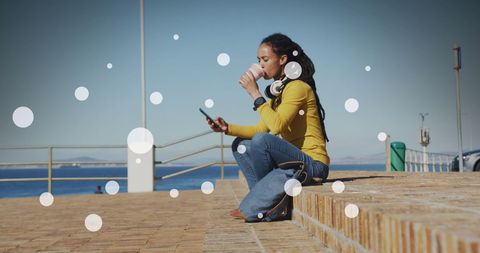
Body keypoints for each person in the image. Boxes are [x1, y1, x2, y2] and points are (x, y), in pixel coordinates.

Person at [205, 33, 330, 219]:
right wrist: (226, 128)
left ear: (282, 60)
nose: (260, 65)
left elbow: (276, 127)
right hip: (293, 162)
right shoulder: (278, 94)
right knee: (241, 145)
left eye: (265, 59)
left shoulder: (298, 87)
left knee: (262, 141)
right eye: (258, 61)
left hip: (314, 165)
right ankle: (261, 202)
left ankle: (258, 205)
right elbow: (259, 129)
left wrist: (255, 93)